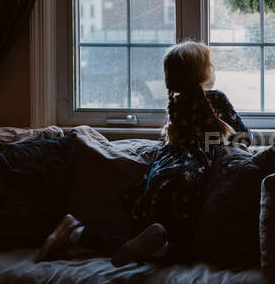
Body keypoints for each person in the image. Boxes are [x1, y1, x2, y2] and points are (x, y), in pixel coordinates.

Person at [38, 41, 251, 266]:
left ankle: (78, 233)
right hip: (189, 179)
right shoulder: (215, 99)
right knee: (185, 252)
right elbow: (245, 137)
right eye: (210, 64)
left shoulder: (176, 104)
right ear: (203, 72)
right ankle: (81, 234)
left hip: (159, 177)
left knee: (156, 245)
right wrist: (226, 144)